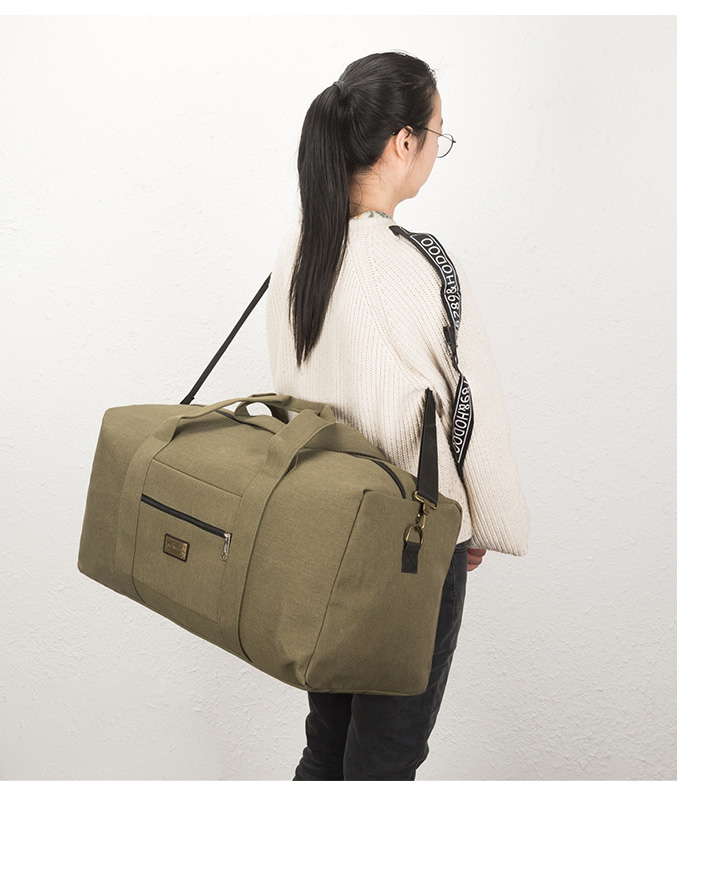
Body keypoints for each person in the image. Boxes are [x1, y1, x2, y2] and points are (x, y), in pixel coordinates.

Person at [266, 51, 530, 781]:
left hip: (323, 533)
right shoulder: (421, 263)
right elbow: (471, 406)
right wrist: (480, 524)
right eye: (438, 134)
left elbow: (292, 393)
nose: (436, 151)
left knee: (328, 745)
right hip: (412, 544)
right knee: (385, 759)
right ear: (402, 141)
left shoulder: (297, 252)